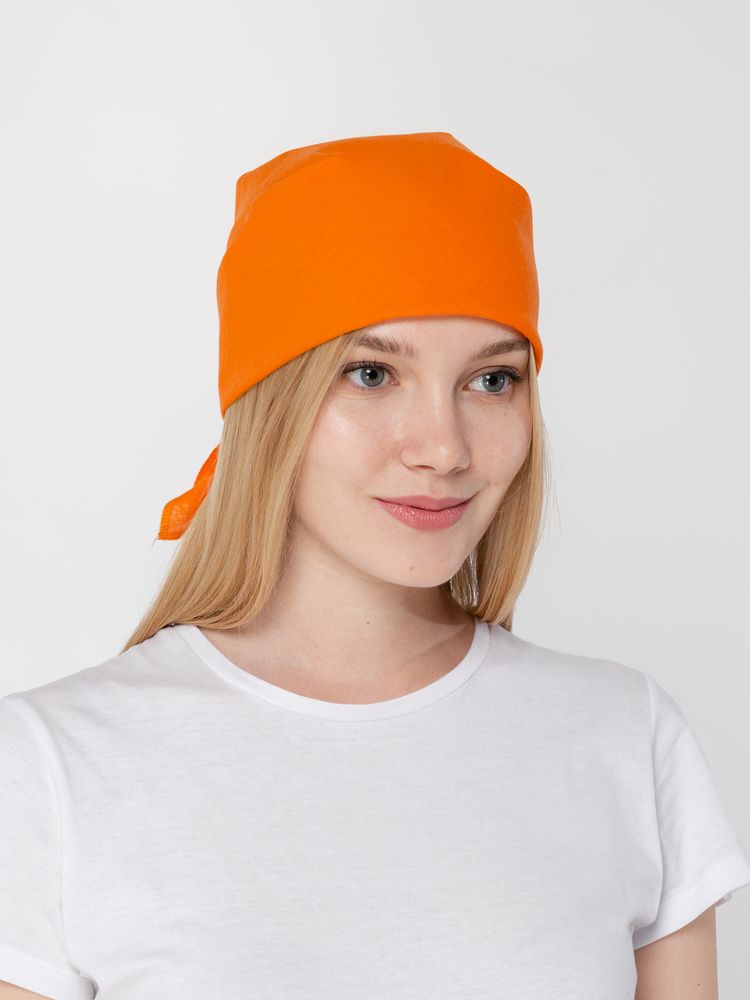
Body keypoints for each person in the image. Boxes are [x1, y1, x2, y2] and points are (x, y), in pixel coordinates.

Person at [0, 132, 748, 1000]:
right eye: (370, 373)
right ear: (270, 402)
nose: (443, 447)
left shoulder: (624, 736)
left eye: (492, 381)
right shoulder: (51, 764)